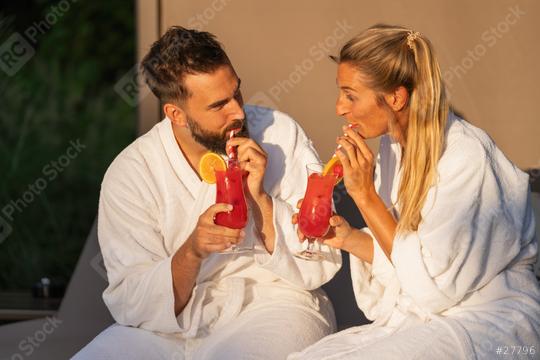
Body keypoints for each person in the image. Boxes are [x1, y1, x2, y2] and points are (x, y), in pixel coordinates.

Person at [73, 27, 341, 360]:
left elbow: (321, 259)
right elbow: (131, 300)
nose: (239, 112)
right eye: (219, 106)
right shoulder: (133, 173)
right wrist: (193, 251)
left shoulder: (280, 135)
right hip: (170, 326)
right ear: (176, 114)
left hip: (274, 305)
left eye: (237, 93)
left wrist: (259, 199)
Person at [290, 24, 540, 359]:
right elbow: (408, 259)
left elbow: (432, 289)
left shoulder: (466, 157)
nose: (339, 108)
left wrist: (365, 196)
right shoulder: (393, 150)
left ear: (395, 97)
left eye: (350, 95)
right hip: (428, 315)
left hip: (490, 321)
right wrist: (350, 238)